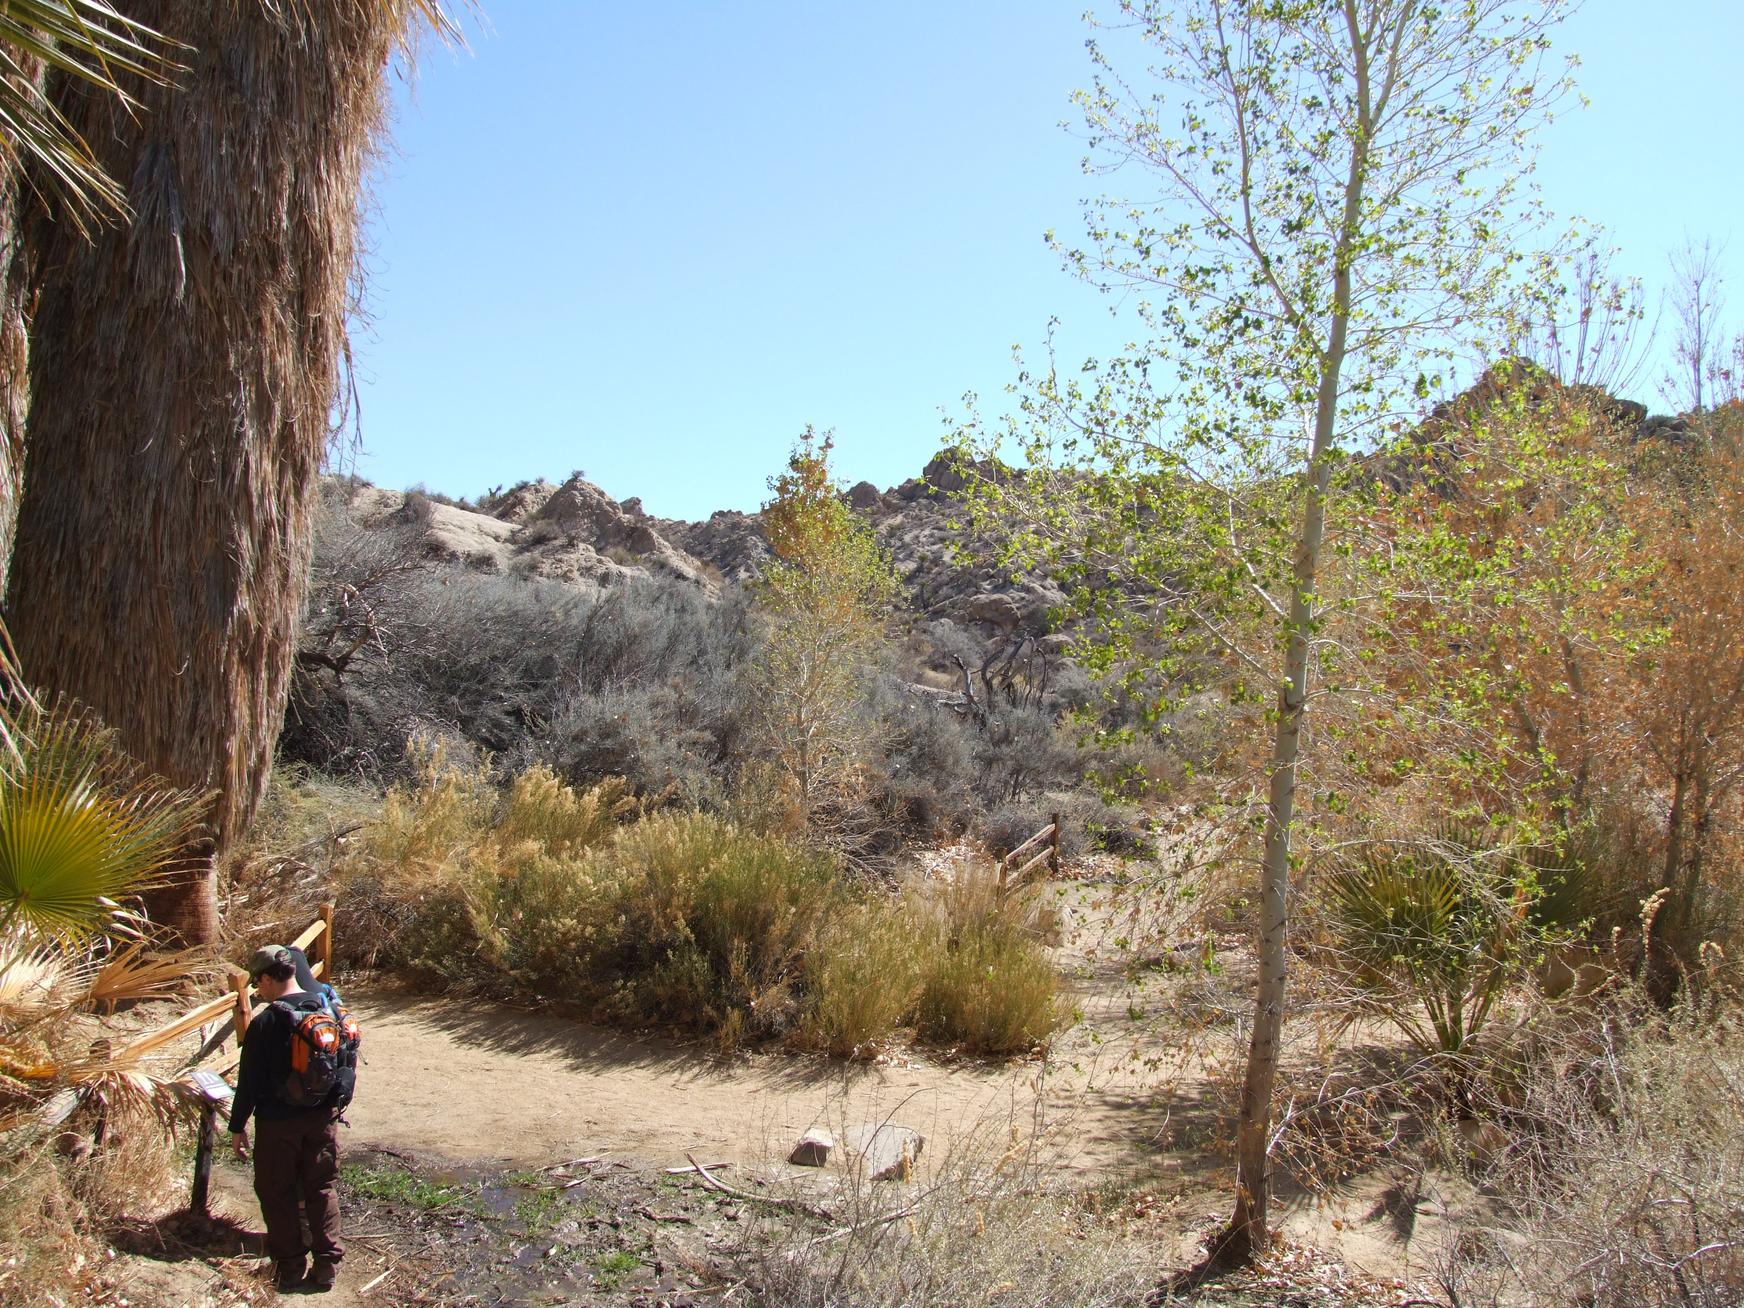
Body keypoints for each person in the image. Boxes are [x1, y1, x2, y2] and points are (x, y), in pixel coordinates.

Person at [229, 945, 344, 1293]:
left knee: (276, 1191)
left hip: (278, 1124)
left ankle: (290, 1267)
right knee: (321, 1188)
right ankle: (327, 1266)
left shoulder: (265, 1022)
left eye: (257, 983)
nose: (257, 989)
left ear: (268, 978)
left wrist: (237, 1126)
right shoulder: (325, 1009)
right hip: (323, 1118)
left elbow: (249, 1082)